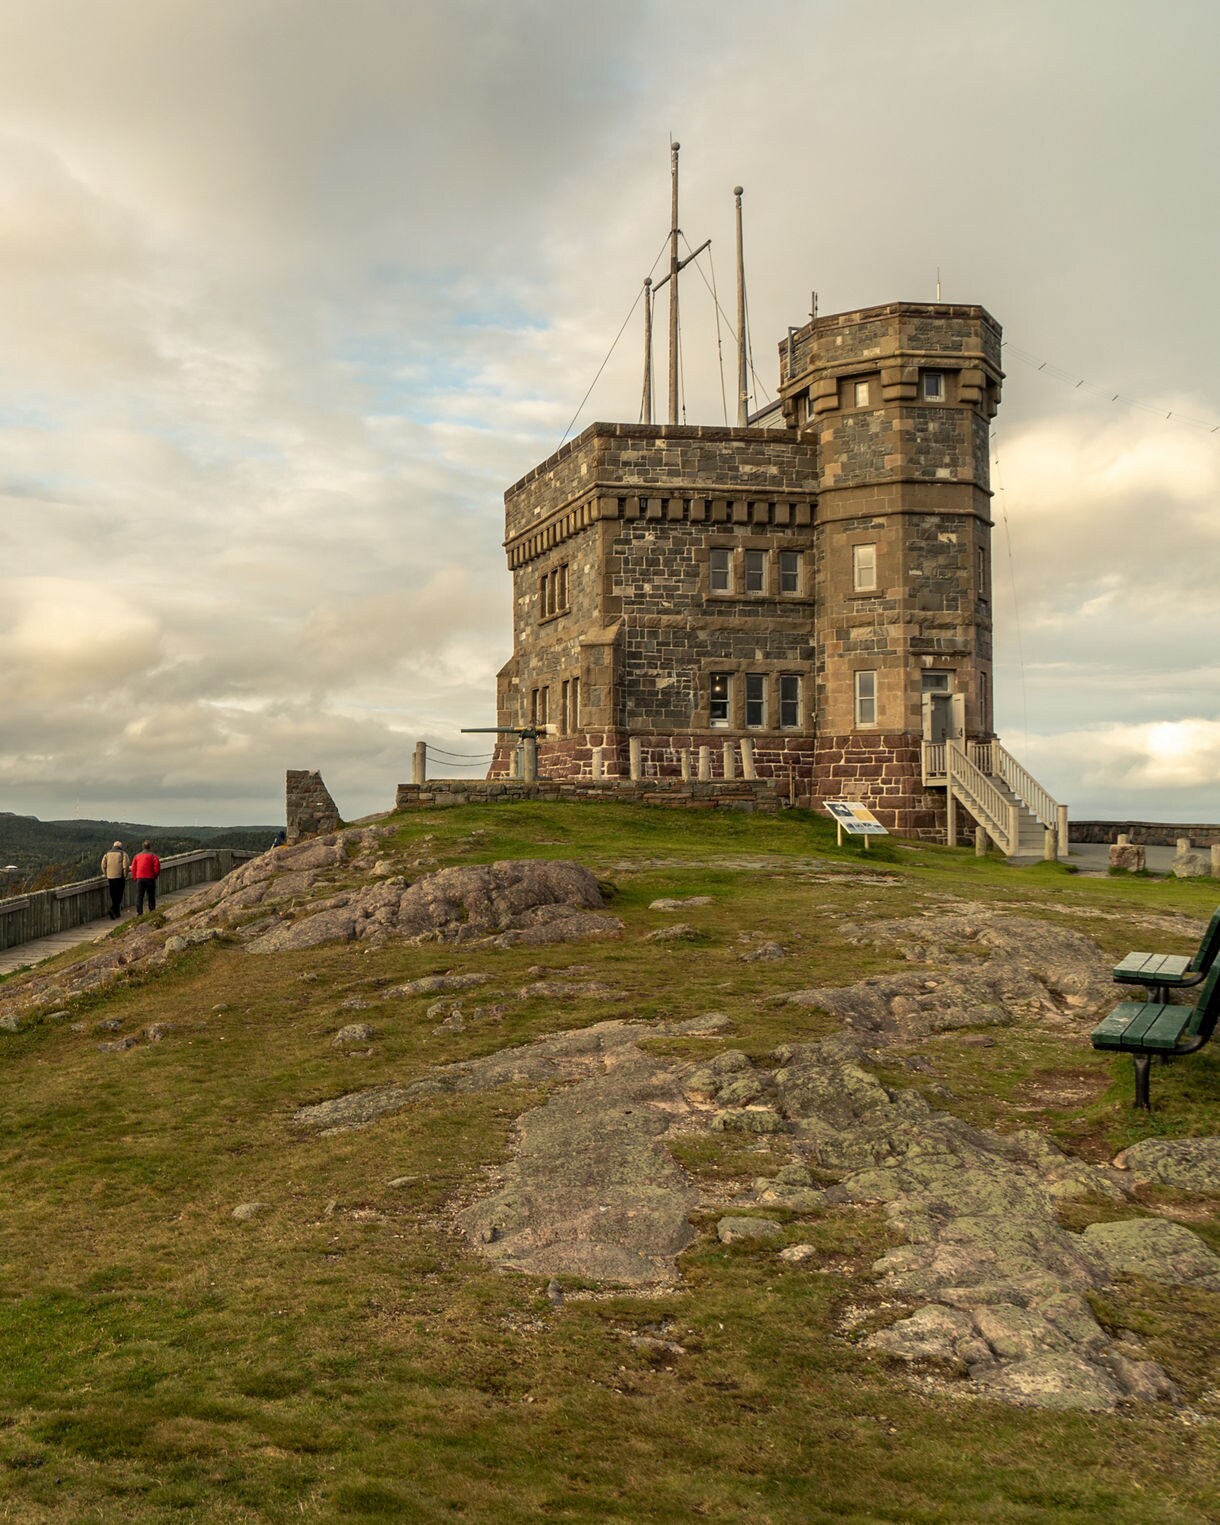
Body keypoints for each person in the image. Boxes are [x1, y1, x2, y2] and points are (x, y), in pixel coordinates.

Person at [130, 840, 161, 914]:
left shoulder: (137, 856)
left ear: (142, 847)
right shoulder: (154, 856)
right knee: (151, 896)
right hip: (150, 878)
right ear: (149, 847)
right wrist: (155, 876)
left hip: (140, 878)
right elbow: (157, 868)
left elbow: (133, 868)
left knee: (139, 896)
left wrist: (135, 878)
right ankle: (152, 911)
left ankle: (139, 913)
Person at [100, 840, 129, 919]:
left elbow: (103, 865)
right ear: (120, 847)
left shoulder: (107, 854)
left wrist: (106, 874)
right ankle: (113, 910)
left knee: (113, 894)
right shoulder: (123, 854)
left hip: (110, 877)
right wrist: (125, 875)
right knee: (119, 894)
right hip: (120, 877)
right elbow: (125, 866)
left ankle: (116, 912)